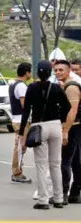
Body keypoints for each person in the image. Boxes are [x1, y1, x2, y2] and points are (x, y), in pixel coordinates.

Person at [19, 60, 71, 210]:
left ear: (37, 73)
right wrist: (59, 119)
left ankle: (43, 200)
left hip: (38, 127)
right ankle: (59, 198)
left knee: (41, 165)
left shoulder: (31, 88)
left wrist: (22, 134)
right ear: (50, 73)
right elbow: (67, 107)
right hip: (55, 126)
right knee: (56, 164)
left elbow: (26, 112)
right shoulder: (56, 88)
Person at [54, 59, 81, 204]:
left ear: (68, 71)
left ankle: (63, 194)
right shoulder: (66, 85)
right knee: (76, 161)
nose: (58, 72)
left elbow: (73, 110)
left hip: (73, 127)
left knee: (65, 161)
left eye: (61, 70)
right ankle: (75, 193)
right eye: (56, 70)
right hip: (75, 127)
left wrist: (65, 131)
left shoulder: (71, 88)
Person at [9, 62, 32, 183]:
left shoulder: (13, 84)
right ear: (27, 72)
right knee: (20, 147)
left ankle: (18, 171)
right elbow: (25, 104)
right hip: (21, 120)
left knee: (19, 146)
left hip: (16, 118)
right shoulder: (22, 86)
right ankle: (17, 172)